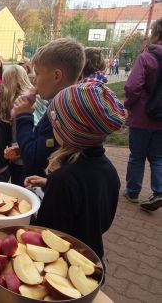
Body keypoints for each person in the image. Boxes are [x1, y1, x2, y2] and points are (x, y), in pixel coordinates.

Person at [25, 81, 125, 259]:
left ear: (67, 131)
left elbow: (48, 234)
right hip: (91, 255)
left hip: (65, 262)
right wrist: (48, 184)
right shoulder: (109, 171)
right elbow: (93, 209)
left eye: (55, 123)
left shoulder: (64, 178)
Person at [11, 38, 85, 178]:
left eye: (37, 73)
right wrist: (24, 147)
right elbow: (44, 150)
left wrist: (24, 116)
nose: (34, 80)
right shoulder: (69, 105)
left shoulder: (60, 114)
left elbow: (33, 159)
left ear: (56, 76)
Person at [124, 18, 162, 211]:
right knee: (158, 157)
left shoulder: (146, 58)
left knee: (137, 156)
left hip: (142, 117)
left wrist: (129, 105)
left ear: (156, 34)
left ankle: (132, 191)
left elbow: (132, 87)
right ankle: (159, 191)